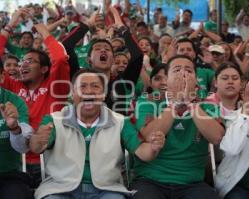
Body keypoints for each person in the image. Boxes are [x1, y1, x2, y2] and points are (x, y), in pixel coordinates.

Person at [30, 68, 165, 199]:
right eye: (82, 86)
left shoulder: (120, 122)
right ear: (72, 93)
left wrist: (153, 147)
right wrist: (38, 140)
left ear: (104, 94)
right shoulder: (54, 120)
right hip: (60, 188)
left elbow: (142, 152)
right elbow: (36, 147)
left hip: (106, 190)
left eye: (95, 86)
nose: (89, 91)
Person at [131, 55, 224, 199]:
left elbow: (217, 137)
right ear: (166, 80)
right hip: (150, 180)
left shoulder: (207, 104)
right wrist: (175, 103)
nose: (183, 74)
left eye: (188, 70)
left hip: (192, 183)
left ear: (196, 80)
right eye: (177, 70)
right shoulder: (148, 100)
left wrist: (190, 103)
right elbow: (149, 135)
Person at [1, 23, 70, 187]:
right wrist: (10, 25)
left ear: (45, 68)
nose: (23, 64)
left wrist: (44, 32)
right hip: (17, 165)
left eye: (30, 61)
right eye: (22, 61)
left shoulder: (56, 86)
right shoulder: (12, 86)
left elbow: (60, 58)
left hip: (49, 163)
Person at [0, 63, 33, 199]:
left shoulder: (15, 102)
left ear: (2, 76)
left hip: (9, 176)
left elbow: (23, 148)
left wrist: (14, 128)